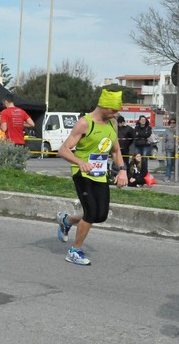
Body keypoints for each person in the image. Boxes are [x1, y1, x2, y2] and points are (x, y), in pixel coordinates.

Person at [56, 89, 128, 265]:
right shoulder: (84, 123)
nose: (115, 114)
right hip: (82, 173)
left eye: (117, 111)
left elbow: (116, 150)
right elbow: (63, 150)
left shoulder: (113, 123)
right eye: (113, 110)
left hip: (100, 173)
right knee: (91, 212)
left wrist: (123, 170)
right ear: (103, 106)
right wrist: (80, 162)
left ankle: (67, 221)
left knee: (101, 215)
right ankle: (75, 251)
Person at [163, 118, 179, 182]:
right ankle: (167, 177)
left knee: (177, 164)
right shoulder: (167, 130)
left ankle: (176, 177)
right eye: (171, 122)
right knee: (169, 164)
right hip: (169, 149)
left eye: (174, 122)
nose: (172, 124)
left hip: (178, 149)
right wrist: (163, 150)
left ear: (176, 123)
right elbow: (164, 141)